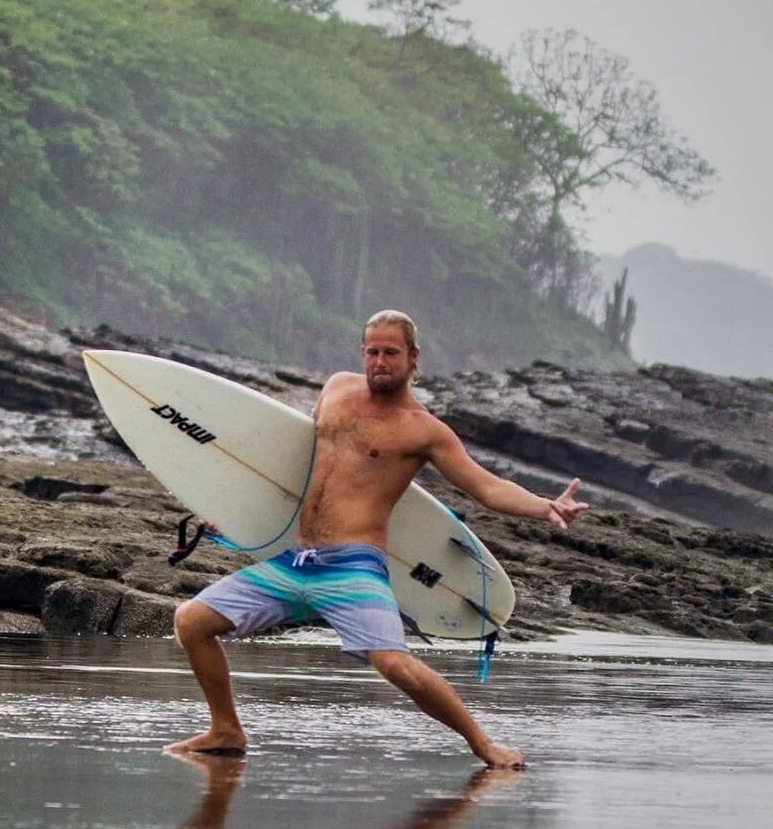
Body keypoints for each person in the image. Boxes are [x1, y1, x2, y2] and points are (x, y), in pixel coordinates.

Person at [166, 309, 587, 767]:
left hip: (354, 566)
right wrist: (231, 515)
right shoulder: (336, 390)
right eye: (372, 352)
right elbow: (285, 464)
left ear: (413, 358)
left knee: (393, 663)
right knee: (191, 621)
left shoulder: (423, 430)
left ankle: (483, 745)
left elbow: (485, 487)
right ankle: (226, 728)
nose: (380, 361)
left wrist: (546, 505)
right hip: (296, 561)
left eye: (391, 353)